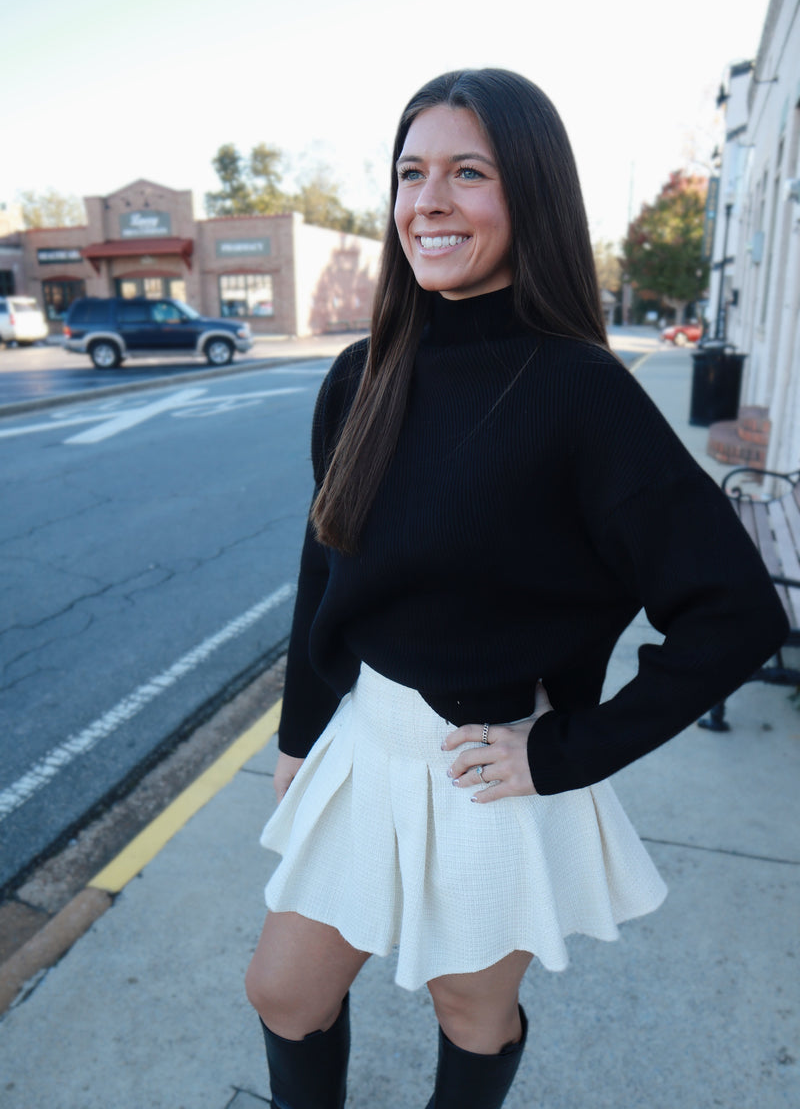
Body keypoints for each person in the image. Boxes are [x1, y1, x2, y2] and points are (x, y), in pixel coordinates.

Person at [245, 68, 788, 1109]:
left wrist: (564, 751)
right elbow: (325, 561)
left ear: (529, 192)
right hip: (364, 744)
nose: (427, 200)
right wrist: (299, 733)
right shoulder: (361, 371)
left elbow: (734, 613)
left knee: (470, 1013)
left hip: (483, 773)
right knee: (282, 989)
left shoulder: (579, 390)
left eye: (467, 172)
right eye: (410, 173)